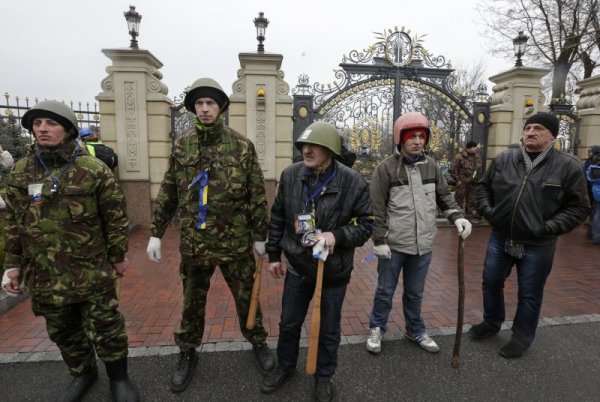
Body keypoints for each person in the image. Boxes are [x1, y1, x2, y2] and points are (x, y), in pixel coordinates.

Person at [1, 100, 138, 401]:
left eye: (50, 123)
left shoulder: (93, 170)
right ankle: (83, 373)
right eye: (37, 124)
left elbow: (115, 217)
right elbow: (13, 220)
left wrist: (117, 257)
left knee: (106, 327)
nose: (42, 129)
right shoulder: (22, 172)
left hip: (91, 270)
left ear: (68, 128)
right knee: (63, 330)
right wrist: (13, 265)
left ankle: (119, 378)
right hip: (46, 273)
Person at [146, 77, 274, 393]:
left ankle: (258, 343)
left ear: (220, 108)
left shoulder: (241, 145)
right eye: (200, 104)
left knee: (247, 298)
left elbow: (256, 192)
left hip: (235, 241)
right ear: (193, 109)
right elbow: (169, 191)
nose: (205, 109)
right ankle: (187, 351)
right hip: (195, 243)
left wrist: (261, 234)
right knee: (191, 301)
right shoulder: (182, 146)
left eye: (211, 103)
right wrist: (156, 233)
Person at [261, 121, 373, 401]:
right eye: (304, 146)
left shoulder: (353, 181)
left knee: (328, 329)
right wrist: (274, 254)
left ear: (331, 150)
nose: (307, 150)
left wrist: (337, 235)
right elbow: (277, 217)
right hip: (299, 266)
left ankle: (323, 377)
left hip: (333, 271)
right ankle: (285, 366)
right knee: (289, 322)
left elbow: (367, 223)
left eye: (315, 146)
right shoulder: (290, 176)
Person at [470, 112, 590, 358]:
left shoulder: (569, 166)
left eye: (539, 129)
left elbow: (579, 208)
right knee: (491, 282)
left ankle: (522, 336)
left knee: (530, 292)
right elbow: (482, 187)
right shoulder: (505, 159)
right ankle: (492, 322)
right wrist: (490, 213)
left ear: (553, 136)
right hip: (501, 237)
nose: (531, 132)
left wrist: (547, 228)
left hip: (538, 244)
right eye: (528, 128)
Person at [365, 112, 472, 355]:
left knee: (415, 292)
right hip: (393, 245)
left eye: (421, 136)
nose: (417, 141)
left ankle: (414, 329)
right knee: (385, 290)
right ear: (400, 140)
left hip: (423, 244)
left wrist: (457, 216)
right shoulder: (386, 168)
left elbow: (444, 196)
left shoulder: (431, 166)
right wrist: (379, 240)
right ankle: (377, 328)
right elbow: (376, 208)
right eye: (411, 136)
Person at [450, 140, 482, 221]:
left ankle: (469, 218)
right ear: (469, 148)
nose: (476, 149)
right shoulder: (459, 156)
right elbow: (453, 170)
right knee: (459, 201)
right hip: (462, 183)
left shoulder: (477, 156)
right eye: (474, 147)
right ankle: (458, 218)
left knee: (471, 201)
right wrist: (458, 181)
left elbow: (479, 168)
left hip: (473, 183)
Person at [585, 148, 600, 244]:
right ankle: (597, 238)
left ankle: (594, 235)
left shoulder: (593, 167)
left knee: (595, 215)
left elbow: (589, 179)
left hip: (595, 193)